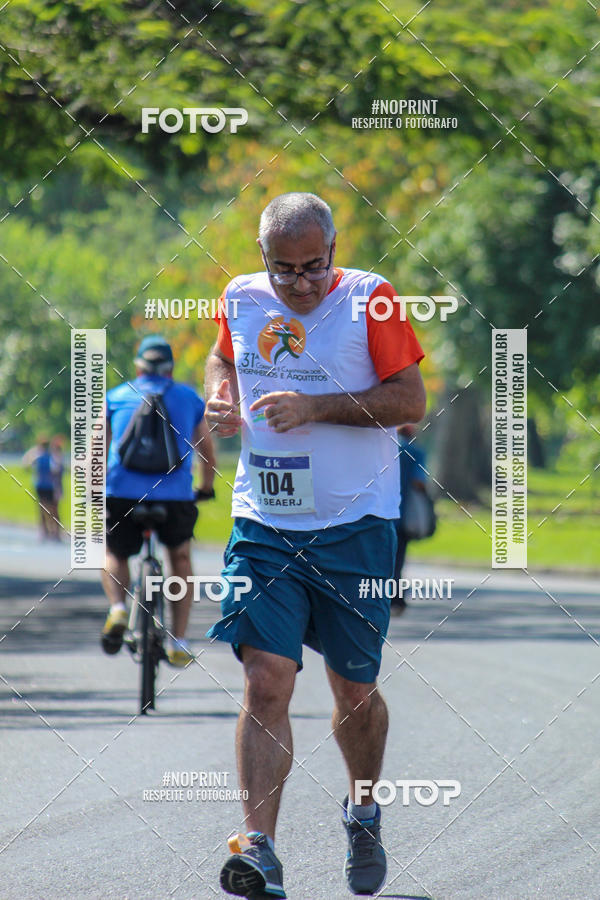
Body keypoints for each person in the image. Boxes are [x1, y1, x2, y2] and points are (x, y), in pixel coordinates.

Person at [204, 192, 426, 898]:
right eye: (283, 270)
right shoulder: (240, 298)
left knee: (353, 689)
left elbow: (410, 402)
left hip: (356, 529)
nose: (299, 285)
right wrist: (221, 397)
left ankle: (362, 810)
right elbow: (223, 361)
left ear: (334, 250)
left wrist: (316, 407)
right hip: (264, 525)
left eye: (312, 268)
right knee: (266, 679)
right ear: (260, 259)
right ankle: (258, 847)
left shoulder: (373, 302)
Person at [101, 335, 216, 667]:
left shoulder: (116, 396)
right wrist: (205, 488)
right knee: (179, 556)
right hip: (174, 497)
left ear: (138, 366)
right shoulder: (188, 398)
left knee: (115, 552)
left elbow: (95, 449)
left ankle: (118, 609)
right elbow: (207, 453)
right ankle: (178, 640)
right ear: (171, 368)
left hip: (121, 492)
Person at [391, 424, 428, 615]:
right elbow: (419, 481)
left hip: (380, 513)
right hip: (403, 515)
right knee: (398, 560)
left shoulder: (386, 449)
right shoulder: (415, 452)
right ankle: (396, 600)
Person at [22, 437, 60, 540]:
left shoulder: (50, 456)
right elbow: (26, 465)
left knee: (53, 509)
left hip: (49, 486)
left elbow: (57, 469)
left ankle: (55, 532)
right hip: (41, 486)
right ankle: (45, 531)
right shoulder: (38, 456)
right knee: (43, 508)